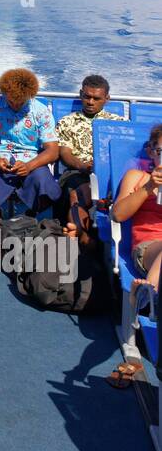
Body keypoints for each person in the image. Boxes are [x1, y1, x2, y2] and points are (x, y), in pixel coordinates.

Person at [108, 126, 162, 388]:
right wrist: (150, 186)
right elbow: (118, 215)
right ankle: (149, 295)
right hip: (149, 249)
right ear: (152, 151)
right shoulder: (137, 177)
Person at [0, 69, 60, 217]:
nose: (15, 105)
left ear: (30, 96)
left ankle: (29, 216)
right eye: (11, 101)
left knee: (48, 188)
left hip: (32, 158)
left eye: (20, 102)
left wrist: (29, 166)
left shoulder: (41, 112)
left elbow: (52, 151)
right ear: (4, 94)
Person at [56, 74, 124, 244]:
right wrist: (83, 166)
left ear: (106, 99)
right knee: (76, 196)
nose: (90, 102)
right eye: (87, 97)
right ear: (81, 94)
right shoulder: (67, 122)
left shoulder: (118, 124)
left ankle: (92, 237)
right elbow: (65, 153)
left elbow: (121, 153)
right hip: (77, 172)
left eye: (96, 98)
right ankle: (83, 237)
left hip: (109, 174)